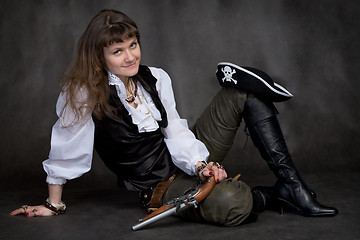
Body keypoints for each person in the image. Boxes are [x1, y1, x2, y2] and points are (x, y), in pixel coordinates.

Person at [10, 9, 338, 226]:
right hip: (159, 187)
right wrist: (53, 205)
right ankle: (271, 196)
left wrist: (199, 164)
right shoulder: (84, 92)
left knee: (242, 94)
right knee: (234, 203)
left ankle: (295, 189)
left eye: (133, 44)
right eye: (117, 51)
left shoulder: (155, 78)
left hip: (182, 158)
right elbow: (67, 148)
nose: (130, 56)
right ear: (100, 56)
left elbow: (175, 131)